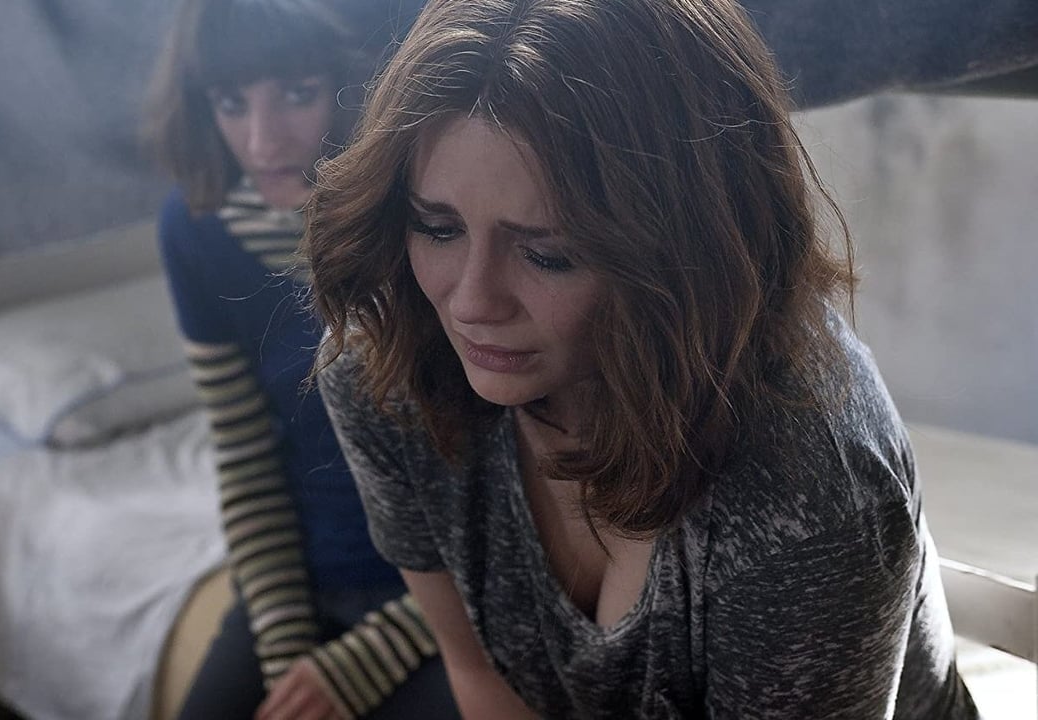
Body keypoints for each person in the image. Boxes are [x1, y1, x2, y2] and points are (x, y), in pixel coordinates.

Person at [302, 0, 981, 717]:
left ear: (688, 249)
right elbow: (479, 677)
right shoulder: (389, 371)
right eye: (437, 228)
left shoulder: (809, 491)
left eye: (547, 254)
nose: (471, 303)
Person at [145, 0, 456, 718]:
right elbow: (246, 457)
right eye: (231, 103)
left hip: (445, 594)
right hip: (305, 580)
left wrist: (365, 661)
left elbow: (506, 487)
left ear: (354, 84)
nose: (263, 141)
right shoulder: (195, 230)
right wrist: (287, 652)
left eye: (296, 93)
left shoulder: (428, 213)